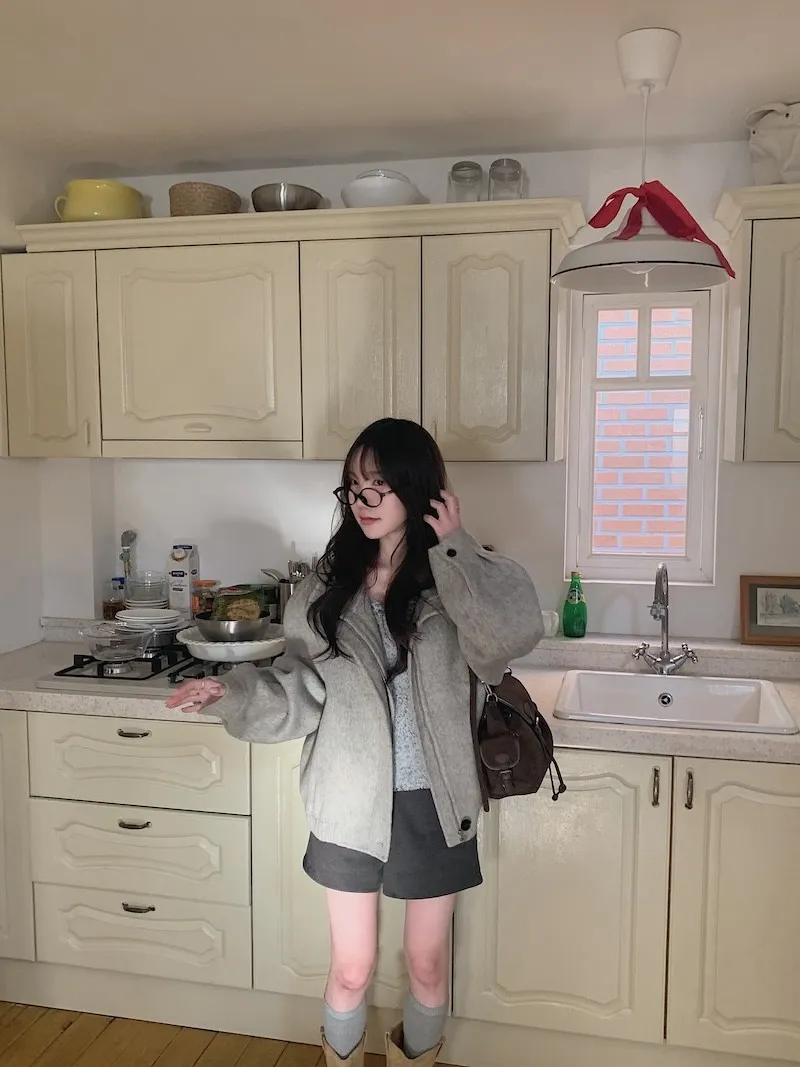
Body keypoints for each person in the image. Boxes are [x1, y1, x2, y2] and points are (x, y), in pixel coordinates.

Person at [166, 418, 544, 1066]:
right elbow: (300, 687)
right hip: (347, 798)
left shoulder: (456, 575)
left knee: (427, 964)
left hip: (433, 799)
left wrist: (455, 547)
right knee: (350, 968)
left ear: (416, 488)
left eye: (379, 487)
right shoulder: (326, 586)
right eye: (354, 487)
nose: (363, 501)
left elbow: (507, 638)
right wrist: (230, 692)